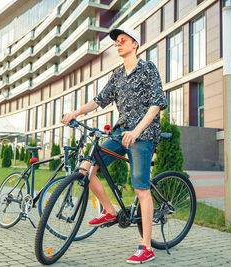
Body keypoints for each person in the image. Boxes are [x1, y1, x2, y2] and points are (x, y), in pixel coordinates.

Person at [62, 28, 167, 264]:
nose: (117, 44)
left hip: (143, 134)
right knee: (85, 169)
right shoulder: (118, 75)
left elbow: (158, 103)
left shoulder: (148, 68)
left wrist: (137, 130)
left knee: (141, 189)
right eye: (116, 42)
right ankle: (109, 211)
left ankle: (146, 247)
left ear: (135, 44)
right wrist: (75, 112)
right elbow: (99, 100)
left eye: (122, 41)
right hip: (120, 133)